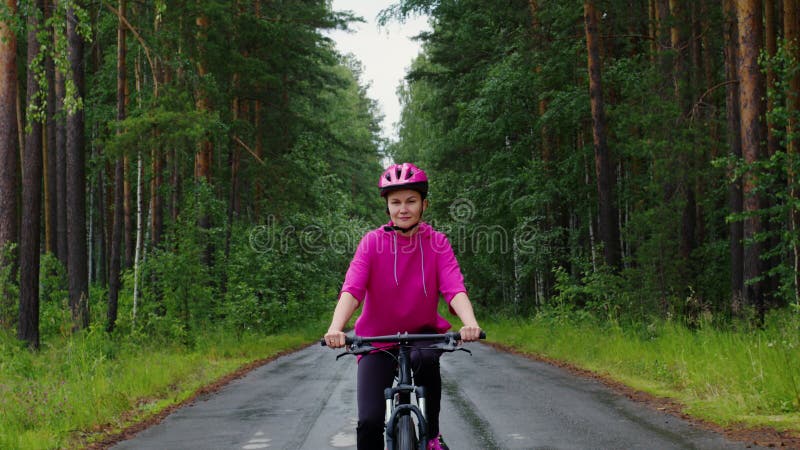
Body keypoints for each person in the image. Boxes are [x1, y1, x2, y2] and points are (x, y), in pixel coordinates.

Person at [324, 162, 482, 450]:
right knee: (370, 421)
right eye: (395, 202)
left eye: (411, 201)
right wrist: (336, 328)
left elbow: (454, 287)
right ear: (387, 207)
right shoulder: (372, 243)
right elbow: (352, 289)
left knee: (427, 361)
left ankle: (431, 436)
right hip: (376, 341)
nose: (403, 208)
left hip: (422, 335)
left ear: (424, 204)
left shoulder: (438, 243)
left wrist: (469, 322)